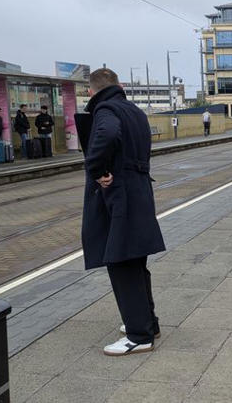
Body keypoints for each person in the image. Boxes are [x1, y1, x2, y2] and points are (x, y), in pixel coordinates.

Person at [81, 68, 165, 356]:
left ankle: (139, 336)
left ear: (91, 92)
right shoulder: (134, 111)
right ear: (120, 85)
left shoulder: (105, 110)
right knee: (135, 261)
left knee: (121, 261)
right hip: (139, 189)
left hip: (121, 195)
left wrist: (97, 169)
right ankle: (147, 323)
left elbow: (107, 133)